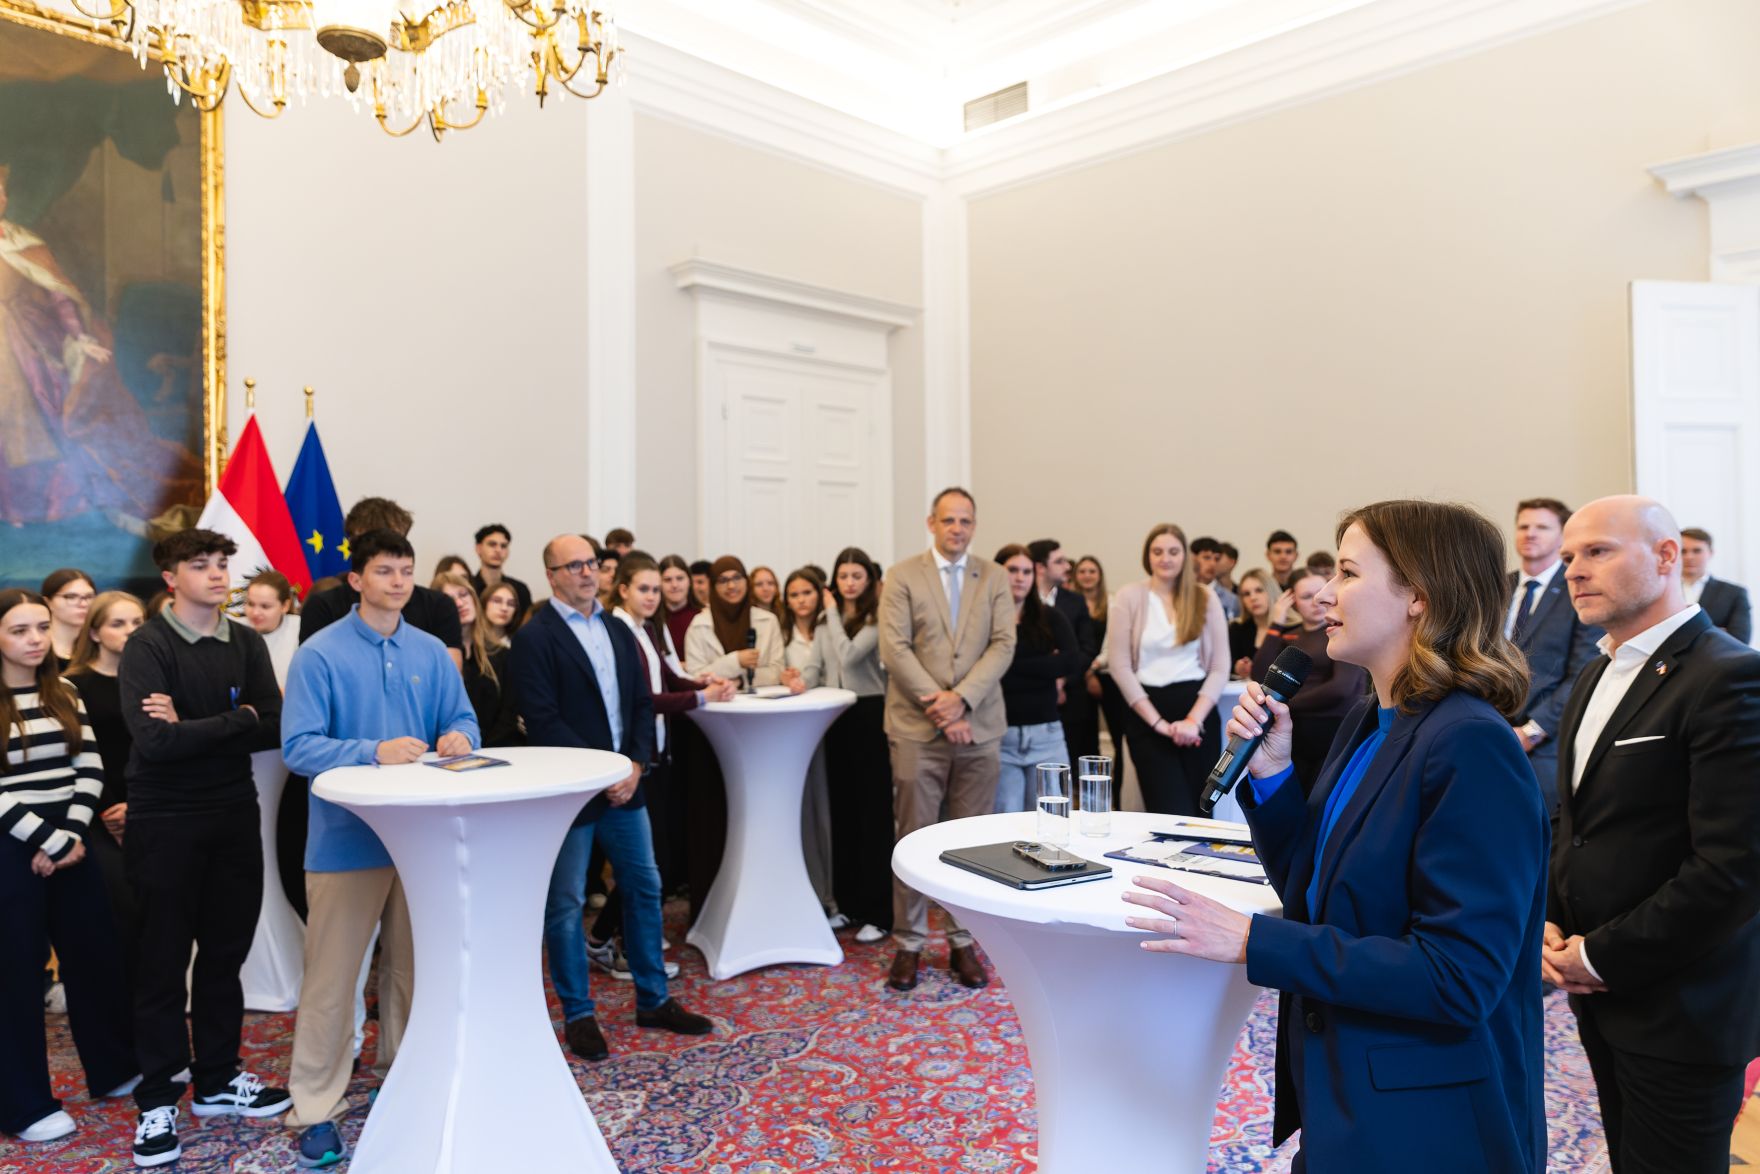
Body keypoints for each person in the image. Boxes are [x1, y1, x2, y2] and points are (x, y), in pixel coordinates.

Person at [1126, 499, 1548, 1172]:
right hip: (1353, 1090)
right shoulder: (1371, 719)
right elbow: (1319, 885)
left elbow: (1458, 977)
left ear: (1418, 597)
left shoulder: (1470, 744)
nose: (1323, 593)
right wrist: (1271, 778)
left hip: (1431, 1121)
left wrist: (1253, 942)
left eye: (1348, 572)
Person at [1544, 495, 1760, 1174]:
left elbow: (1733, 868)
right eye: (1570, 556)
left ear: (1668, 556)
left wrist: (1600, 956)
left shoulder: (1729, 675)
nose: (1575, 569)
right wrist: (1551, 919)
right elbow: (1578, 826)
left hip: (1682, 1007)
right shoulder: (1594, 673)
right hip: (1601, 996)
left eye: (1598, 551)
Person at [278, 530, 480, 1168]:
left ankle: (405, 1073)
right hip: (345, 841)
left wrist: (455, 737)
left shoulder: (428, 650)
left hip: (422, 840)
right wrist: (372, 750)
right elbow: (299, 747)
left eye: (406, 572)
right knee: (333, 981)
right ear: (356, 580)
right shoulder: (319, 653)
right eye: (385, 571)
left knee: (414, 970)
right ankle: (314, 1105)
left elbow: (467, 720)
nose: (398, 582)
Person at [119, 529, 290, 1166]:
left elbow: (272, 721)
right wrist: (235, 720)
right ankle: (159, 1096)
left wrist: (206, 723)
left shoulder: (244, 639)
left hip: (231, 811)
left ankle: (217, 1079)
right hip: (164, 817)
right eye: (202, 565)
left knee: (225, 953)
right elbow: (154, 743)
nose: (219, 574)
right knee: (163, 961)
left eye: (223, 564)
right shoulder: (148, 644)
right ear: (171, 577)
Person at [511, 534, 712, 1062]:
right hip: (572, 793)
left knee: (646, 887)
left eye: (591, 563)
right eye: (572, 565)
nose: (585, 572)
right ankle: (578, 1015)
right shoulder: (536, 637)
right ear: (551, 574)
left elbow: (642, 704)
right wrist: (604, 770)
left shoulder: (617, 629)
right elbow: (543, 719)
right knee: (568, 903)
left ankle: (654, 999)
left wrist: (637, 765)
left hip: (627, 785)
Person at [0, 588, 138, 1148]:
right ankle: (24, 1103)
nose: (34, 640)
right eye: (18, 630)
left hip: (73, 838)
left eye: (40, 627)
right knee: (17, 974)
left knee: (95, 956)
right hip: (11, 842)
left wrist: (71, 835)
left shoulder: (66, 690)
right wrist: (46, 839)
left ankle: (112, 1068)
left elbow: (91, 766)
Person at [879, 487, 1016, 991]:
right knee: (912, 836)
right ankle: (909, 943)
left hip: (978, 727)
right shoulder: (902, 575)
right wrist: (941, 705)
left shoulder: (995, 576)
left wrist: (962, 699)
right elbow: (894, 649)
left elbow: (1004, 644)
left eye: (966, 521)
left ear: (974, 526)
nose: (957, 528)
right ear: (931, 523)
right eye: (949, 520)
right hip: (917, 727)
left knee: (970, 842)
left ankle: (963, 941)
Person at [599, 555, 733, 946]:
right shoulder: (618, 632)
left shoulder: (646, 629)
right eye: (644, 589)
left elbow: (669, 677)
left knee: (657, 855)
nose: (653, 596)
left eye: (656, 589)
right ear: (623, 590)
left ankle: (613, 935)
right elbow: (647, 699)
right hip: (633, 755)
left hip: (657, 750)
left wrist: (702, 683)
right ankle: (617, 937)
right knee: (643, 859)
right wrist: (701, 698)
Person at [1106, 524, 1229, 815]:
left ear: (1185, 556)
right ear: (1147, 556)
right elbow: (1119, 665)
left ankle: (1200, 864)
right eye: (1157, 551)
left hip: (1195, 712)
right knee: (1167, 811)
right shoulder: (1129, 597)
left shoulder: (1204, 597)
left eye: (1173, 551)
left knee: (1201, 812)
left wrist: (1192, 720)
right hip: (1147, 715)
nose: (1165, 558)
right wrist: (1159, 724)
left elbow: (1220, 666)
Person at [64, 591, 147, 961]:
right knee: (119, 910)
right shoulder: (73, 685)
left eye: (137, 623)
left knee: (155, 913)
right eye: (118, 623)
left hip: (150, 805)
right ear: (95, 633)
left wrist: (136, 804)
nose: (130, 631)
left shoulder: (154, 680)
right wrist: (112, 808)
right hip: (96, 812)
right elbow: (76, 755)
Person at [1506, 498, 1602, 811]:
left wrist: (1531, 732)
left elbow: (1582, 673)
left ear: (1561, 536)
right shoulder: (1498, 587)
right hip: (1490, 730)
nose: (1530, 533)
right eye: (1524, 526)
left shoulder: (1578, 588)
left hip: (1546, 743)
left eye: (1542, 527)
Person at [820, 547, 892, 944]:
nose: (849, 582)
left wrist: (829, 612)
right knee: (843, 814)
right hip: (836, 715)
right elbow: (823, 665)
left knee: (873, 816)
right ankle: (846, 904)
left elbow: (848, 657)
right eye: (843, 575)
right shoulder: (827, 620)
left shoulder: (875, 617)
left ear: (868, 580)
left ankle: (878, 912)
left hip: (869, 715)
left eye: (856, 576)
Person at [301, 499, 464, 668]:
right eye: (373, 544)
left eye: (395, 544)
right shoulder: (323, 606)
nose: (397, 581)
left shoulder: (439, 606)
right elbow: (315, 670)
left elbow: (449, 680)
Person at [1251, 567, 1369, 789]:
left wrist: (1283, 704)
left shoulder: (1341, 632)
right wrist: (1276, 624)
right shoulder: (1290, 635)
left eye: (1320, 592)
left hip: (1335, 731)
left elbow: (1340, 688)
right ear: (1292, 601)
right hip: (1295, 735)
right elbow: (1259, 676)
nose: (1317, 601)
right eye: (1307, 597)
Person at [992, 545, 1082, 812]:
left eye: (1026, 571)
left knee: (1052, 820)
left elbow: (1070, 661)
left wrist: (1009, 665)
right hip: (1000, 736)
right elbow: (986, 673)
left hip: (1047, 735)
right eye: (1012, 570)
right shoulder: (986, 620)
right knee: (1005, 822)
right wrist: (1045, 667)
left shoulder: (1049, 617)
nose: (1020, 577)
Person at [1027, 539, 1099, 761]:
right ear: (1040, 567)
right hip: (1028, 697)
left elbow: (1088, 648)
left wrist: (1063, 678)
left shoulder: (1075, 601)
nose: (1068, 567)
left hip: (1072, 699)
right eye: (1059, 562)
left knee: (1072, 765)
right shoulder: (1019, 601)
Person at [433, 572, 518, 747]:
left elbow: (509, 713)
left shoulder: (500, 653)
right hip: (450, 752)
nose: (459, 603)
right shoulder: (434, 656)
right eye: (449, 599)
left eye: (463, 594)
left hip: (499, 751)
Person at [684, 557, 786, 687]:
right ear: (713, 586)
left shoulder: (768, 620)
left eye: (737, 578)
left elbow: (777, 671)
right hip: (717, 704)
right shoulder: (698, 625)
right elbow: (695, 676)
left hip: (761, 703)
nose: (731, 586)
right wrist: (735, 661)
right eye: (723, 580)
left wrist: (741, 681)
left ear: (746, 581)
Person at [1073, 555, 1126, 769]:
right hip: (1078, 676)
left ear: (1100, 575)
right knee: (1084, 733)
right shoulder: (1070, 603)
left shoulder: (1112, 602)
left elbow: (1112, 644)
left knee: (1118, 731)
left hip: (1107, 673)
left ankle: (1116, 789)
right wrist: (1085, 673)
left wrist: (1093, 668)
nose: (1087, 576)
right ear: (1076, 576)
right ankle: (1084, 783)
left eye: (1092, 571)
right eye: (1082, 571)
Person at [1680, 526, 1752, 644]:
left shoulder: (1734, 593)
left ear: (1710, 553)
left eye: (1697, 551)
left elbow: (1740, 639)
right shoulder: (1662, 592)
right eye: (1683, 551)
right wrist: (1718, 631)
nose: (1689, 557)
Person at [242, 571, 301, 690]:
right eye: (251, 604)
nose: (255, 613)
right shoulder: (235, 630)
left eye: (265, 606)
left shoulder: (301, 629)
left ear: (285, 606)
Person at [470, 524, 533, 620]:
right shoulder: (468, 588)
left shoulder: (520, 589)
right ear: (478, 548)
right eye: (492, 544)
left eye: (503, 546)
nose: (498, 550)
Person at [41, 569, 95, 668]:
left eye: (89, 596)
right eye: (71, 597)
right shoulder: (36, 647)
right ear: (47, 602)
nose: (83, 604)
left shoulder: (100, 646)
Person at [1229, 568, 1277, 678]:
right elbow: (1225, 663)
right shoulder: (1236, 628)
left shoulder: (1291, 627)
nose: (1253, 598)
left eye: (1259, 590)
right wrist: (1237, 667)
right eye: (1246, 594)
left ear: (1271, 591)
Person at [657, 555, 700, 660]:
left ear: (689, 581)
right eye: (667, 580)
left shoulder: (703, 615)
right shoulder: (651, 619)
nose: (674, 585)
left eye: (680, 578)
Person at [1191, 537, 1240, 620]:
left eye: (1217, 559)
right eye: (1206, 558)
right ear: (1193, 558)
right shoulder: (1179, 592)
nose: (1212, 563)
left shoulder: (1231, 600)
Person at [480, 580, 522, 649]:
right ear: (484, 604)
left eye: (511, 604)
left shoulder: (518, 644)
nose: (504, 608)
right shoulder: (471, 640)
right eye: (497, 601)